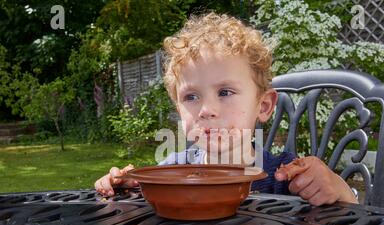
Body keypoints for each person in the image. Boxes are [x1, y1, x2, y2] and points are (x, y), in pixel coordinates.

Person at [94, 12, 357, 206]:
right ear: (178, 107)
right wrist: (122, 188)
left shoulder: (284, 177)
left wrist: (338, 189)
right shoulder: (172, 172)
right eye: (191, 96)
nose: (207, 110)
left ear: (263, 105)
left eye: (225, 92)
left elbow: (352, 224)